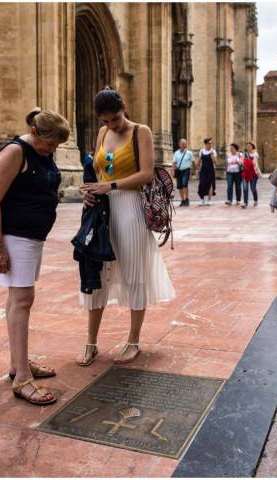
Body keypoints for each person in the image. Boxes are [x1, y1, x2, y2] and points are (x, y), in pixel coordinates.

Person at [78, 87, 176, 366]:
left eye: (115, 119)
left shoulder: (140, 131)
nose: (111, 125)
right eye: (106, 121)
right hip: (102, 209)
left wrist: (109, 185)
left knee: (134, 272)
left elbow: (146, 174)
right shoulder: (102, 133)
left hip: (131, 207)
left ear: (123, 107)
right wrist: (91, 191)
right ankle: (91, 343)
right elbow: (97, 171)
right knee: (95, 271)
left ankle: (133, 341)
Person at [0, 107, 69, 405]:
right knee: (21, 301)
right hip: (15, 237)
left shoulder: (41, 152)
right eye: (50, 144)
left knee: (19, 300)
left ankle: (17, 363)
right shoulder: (14, 152)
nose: (53, 149)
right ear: (35, 133)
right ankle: (22, 378)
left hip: (31, 237)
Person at [172, 138, 193, 207]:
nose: (184, 145)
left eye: (185, 144)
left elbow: (193, 162)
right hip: (179, 171)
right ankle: (182, 200)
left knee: (184, 184)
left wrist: (194, 170)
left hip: (186, 170)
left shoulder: (189, 153)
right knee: (180, 186)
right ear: (179, 145)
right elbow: (174, 163)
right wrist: (173, 171)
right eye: (182, 144)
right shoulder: (176, 153)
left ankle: (187, 199)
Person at [196, 138, 217, 205]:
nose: (210, 144)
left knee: (210, 184)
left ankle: (209, 200)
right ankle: (202, 199)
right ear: (206, 144)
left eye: (211, 143)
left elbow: (216, 162)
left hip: (211, 170)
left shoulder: (213, 151)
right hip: (203, 170)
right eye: (209, 143)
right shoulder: (202, 151)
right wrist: (195, 168)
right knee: (201, 184)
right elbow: (199, 161)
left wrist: (211, 156)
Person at [241, 142, 262, 208]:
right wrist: (242, 162)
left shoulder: (255, 154)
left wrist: (247, 160)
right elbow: (241, 161)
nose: (248, 147)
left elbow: (254, 163)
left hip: (253, 173)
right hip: (246, 173)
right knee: (245, 188)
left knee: (253, 188)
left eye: (249, 146)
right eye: (247, 146)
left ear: (252, 147)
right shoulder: (244, 154)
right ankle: (245, 203)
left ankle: (255, 200)